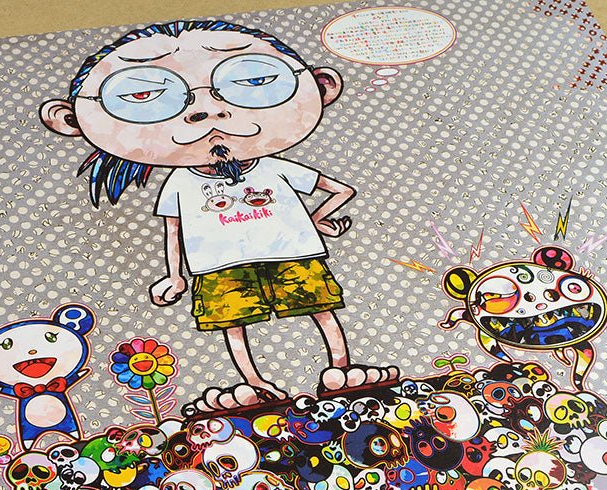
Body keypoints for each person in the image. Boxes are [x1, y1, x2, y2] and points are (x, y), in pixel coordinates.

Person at [39, 19, 398, 414]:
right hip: (217, 264)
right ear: (70, 119)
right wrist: (175, 275)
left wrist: (312, 221)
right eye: (143, 95)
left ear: (321, 86)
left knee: (319, 307)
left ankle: (340, 369)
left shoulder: (272, 167)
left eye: (254, 80)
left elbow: (341, 190)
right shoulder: (180, 181)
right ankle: (255, 384)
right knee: (233, 325)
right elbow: (173, 230)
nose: (207, 109)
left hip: (292, 252)